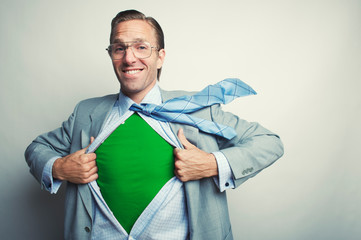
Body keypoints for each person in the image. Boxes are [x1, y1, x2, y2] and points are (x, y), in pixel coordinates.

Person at [25, 9, 284, 240]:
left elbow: (269, 142)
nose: (129, 58)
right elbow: (37, 148)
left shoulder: (200, 110)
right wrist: (59, 167)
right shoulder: (86, 111)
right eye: (119, 48)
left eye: (141, 47)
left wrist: (211, 164)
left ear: (160, 57)